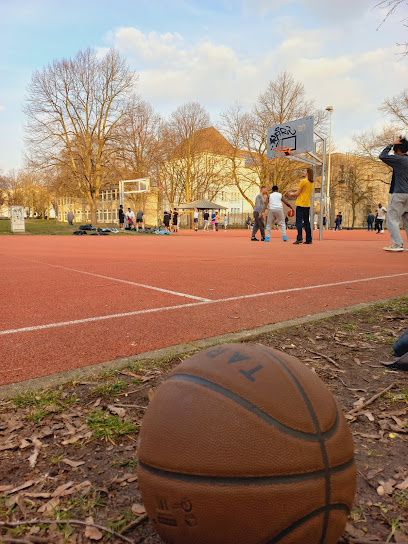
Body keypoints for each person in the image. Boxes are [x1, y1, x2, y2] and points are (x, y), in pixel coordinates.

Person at [379, 136, 408, 252]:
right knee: (407, 220)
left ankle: (397, 244)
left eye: (395, 150)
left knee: (392, 218)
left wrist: (391, 144)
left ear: (398, 150)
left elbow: (382, 156)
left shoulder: (399, 159)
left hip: (400, 193)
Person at [287, 168, 314, 245]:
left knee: (298, 222)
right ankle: (309, 239)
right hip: (307, 204)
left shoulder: (303, 181)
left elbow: (297, 193)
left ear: (307, 173)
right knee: (306, 222)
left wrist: (291, 194)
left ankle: (299, 238)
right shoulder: (311, 183)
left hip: (300, 203)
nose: (303, 172)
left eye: (304, 171)